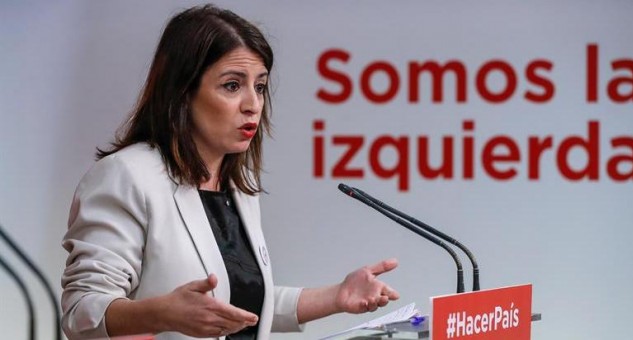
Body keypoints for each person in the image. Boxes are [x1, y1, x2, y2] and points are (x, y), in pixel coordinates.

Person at [60, 4, 399, 340]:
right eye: (233, 86)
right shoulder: (126, 176)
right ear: (182, 91)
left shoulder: (238, 188)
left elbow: (238, 304)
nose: (253, 103)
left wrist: (337, 296)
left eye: (260, 86)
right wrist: (161, 313)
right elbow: (81, 310)